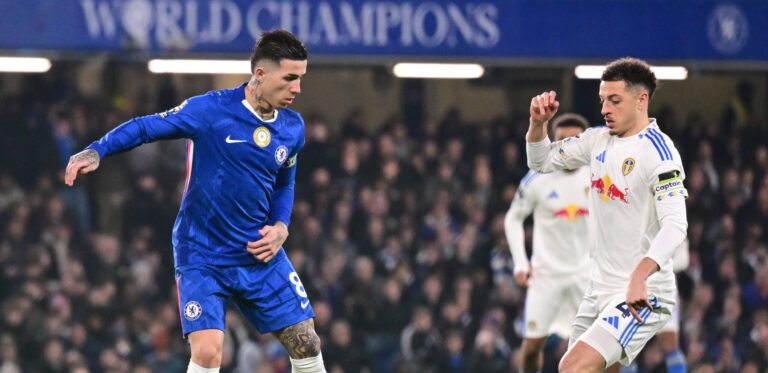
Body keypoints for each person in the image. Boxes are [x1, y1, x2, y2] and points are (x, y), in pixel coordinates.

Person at [64, 30, 326, 373]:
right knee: (207, 353)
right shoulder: (211, 110)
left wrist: (281, 226)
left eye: (301, 78)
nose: (297, 88)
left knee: (307, 343)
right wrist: (98, 149)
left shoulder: (293, 127)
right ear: (260, 74)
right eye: (290, 78)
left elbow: (284, 184)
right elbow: (147, 127)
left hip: (257, 251)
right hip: (203, 252)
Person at [524, 57, 688, 372]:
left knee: (572, 367)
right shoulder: (595, 140)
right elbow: (540, 162)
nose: (604, 109)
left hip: (642, 292)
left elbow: (675, 225)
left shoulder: (659, 153)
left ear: (642, 100)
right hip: (598, 289)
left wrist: (640, 276)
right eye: (602, 101)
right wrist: (538, 124)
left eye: (614, 100)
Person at [504, 113, 591, 373]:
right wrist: (521, 263)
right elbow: (512, 219)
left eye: (575, 140)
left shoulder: (600, 176)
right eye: (562, 140)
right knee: (531, 347)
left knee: (595, 348)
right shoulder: (537, 176)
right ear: (553, 142)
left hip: (585, 275)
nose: (568, 146)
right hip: (546, 276)